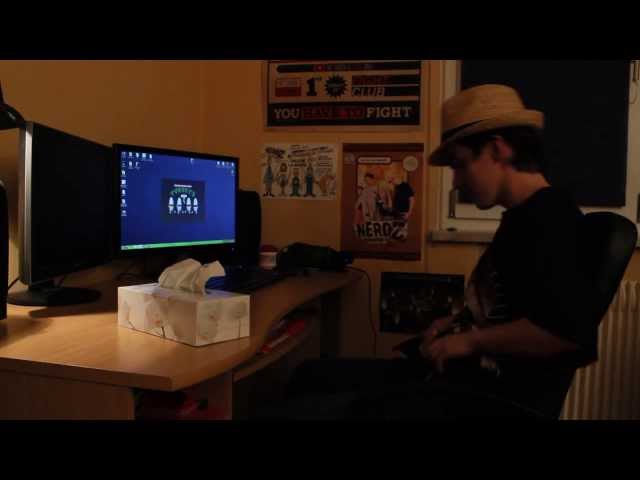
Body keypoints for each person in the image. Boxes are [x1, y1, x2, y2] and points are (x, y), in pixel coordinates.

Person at [259, 84, 598, 419]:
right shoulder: (522, 217)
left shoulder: (551, 219)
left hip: (475, 400)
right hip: (455, 380)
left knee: (291, 411)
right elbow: (509, 308)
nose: (456, 182)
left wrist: (469, 342)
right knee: (309, 375)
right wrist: (454, 324)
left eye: (460, 164)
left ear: (498, 149)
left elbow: (565, 334)